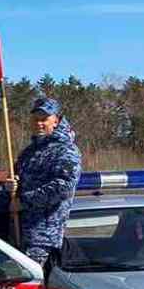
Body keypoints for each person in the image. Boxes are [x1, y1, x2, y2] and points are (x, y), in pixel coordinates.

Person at [15, 97, 83, 267]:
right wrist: (13, 184)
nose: (39, 123)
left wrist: (24, 201)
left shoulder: (65, 150)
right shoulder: (29, 152)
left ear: (56, 121)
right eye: (36, 119)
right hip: (19, 232)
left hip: (43, 238)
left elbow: (63, 187)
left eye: (44, 119)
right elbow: (18, 179)